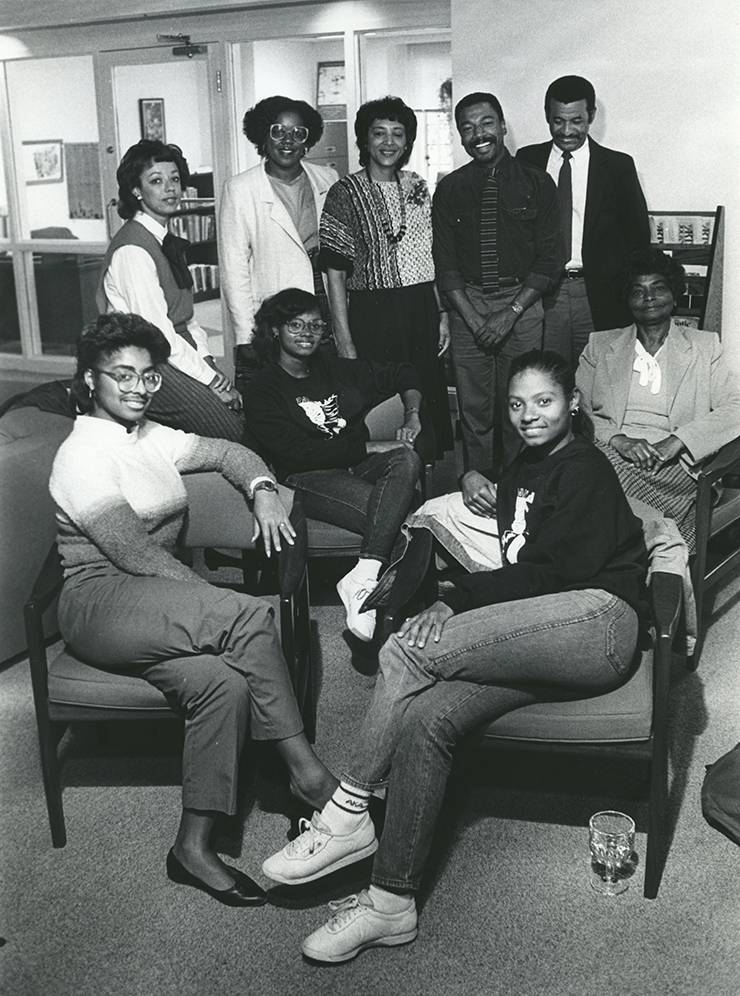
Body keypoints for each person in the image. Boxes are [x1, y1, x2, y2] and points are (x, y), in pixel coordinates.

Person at [260, 349, 648, 962]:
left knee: (408, 653)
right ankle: (391, 904)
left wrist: (458, 599)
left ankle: (348, 809)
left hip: (599, 620)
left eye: (544, 401)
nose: (528, 416)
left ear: (572, 402)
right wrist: (474, 488)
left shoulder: (585, 468)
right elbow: (518, 556)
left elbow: (559, 573)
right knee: (426, 716)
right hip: (548, 635)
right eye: (517, 405)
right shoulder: (523, 467)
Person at [49, 313, 337, 907]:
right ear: (89, 380)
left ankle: (192, 847)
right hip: (99, 598)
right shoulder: (82, 454)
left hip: (150, 597)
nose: (136, 388)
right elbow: (133, 554)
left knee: (222, 683)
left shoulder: (150, 436)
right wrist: (212, 606)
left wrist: (261, 491)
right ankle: (308, 777)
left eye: (149, 377)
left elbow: (234, 452)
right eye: (120, 375)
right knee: (245, 617)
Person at [241, 288, 423, 642]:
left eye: (315, 324)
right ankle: (390, 629)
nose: (307, 333)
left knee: (406, 456)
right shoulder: (262, 387)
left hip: (354, 466)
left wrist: (412, 415)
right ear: (275, 330)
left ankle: (363, 576)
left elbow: (405, 372)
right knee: (406, 526)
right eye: (295, 325)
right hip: (306, 478)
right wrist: (368, 445)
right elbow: (295, 454)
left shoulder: (334, 369)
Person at [576, 247, 740, 551]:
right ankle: (638, 553)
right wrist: (619, 441)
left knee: (589, 478)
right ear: (627, 301)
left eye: (658, 287)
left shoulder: (705, 347)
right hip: (611, 453)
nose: (648, 297)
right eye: (637, 291)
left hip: (678, 467)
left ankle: (616, 557)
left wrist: (678, 441)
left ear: (675, 296)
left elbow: (736, 408)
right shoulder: (600, 346)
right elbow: (577, 412)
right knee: (593, 467)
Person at [433, 91, 563, 474]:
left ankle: (517, 494)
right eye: (467, 128)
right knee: (474, 413)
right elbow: (446, 263)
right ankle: (476, 495)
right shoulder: (450, 189)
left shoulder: (538, 183)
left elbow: (549, 259)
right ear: (460, 137)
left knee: (521, 408)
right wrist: (474, 320)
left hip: (521, 304)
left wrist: (510, 313)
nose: (479, 134)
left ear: (503, 127)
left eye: (487, 123)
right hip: (467, 304)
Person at [319, 96, 453, 458]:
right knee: (382, 403)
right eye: (379, 133)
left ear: (408, 141)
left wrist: (441, 314)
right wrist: (343, 339)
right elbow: (334, 272)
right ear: (364, 140)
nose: (389, 142)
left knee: (425, 398)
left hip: (420, 308)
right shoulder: (344, 193)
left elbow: (431, 256)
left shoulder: (417, 186)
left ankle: (425, 485)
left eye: (398, 133)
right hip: (372, 314)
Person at [96, 140, 244, 440]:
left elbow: (187, 317)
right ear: (136, 191)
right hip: (143, 361)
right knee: (230, 429)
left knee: (240, 411)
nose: (170, 188)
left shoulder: (165, 240)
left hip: (173, 350)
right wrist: (211, 382)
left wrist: (207, 364)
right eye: (156, 181)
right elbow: (159, 335)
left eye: (175, 179)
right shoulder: (133, 251)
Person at [517, 75, 650, 366]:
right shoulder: (526, 160)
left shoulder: (618, 167)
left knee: (599, 381)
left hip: (599, 295)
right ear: (547, 116)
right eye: (557, 121)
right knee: (548, 380)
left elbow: (638, 239)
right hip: (542, 295)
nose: (566, 131)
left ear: (591, 116)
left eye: (576, 121)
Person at [218, 96, 339, 392]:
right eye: (278, 131)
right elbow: (234, 269)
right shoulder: (241, 188)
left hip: (323, 295)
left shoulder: (329, 178)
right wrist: (245, 335)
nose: (288, 140)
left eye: (298, 133)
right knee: (279, 392)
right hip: (274, 307)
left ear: (307, 140)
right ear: (263, 135)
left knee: (323, 388)